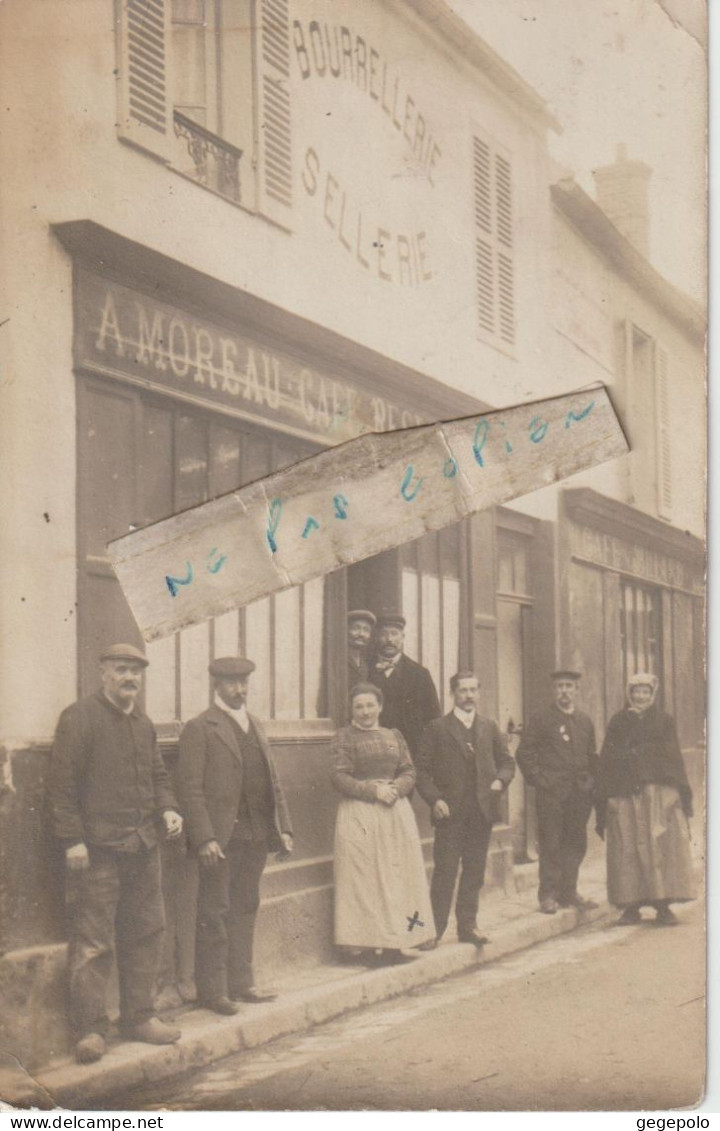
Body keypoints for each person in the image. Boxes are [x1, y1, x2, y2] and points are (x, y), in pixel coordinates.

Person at [49, 644, 184, 1065]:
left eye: (136, 672)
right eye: (122, 670)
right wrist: (71, 839)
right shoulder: (79, 719)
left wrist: (169, 808)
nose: (130, 678)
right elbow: (62, 785)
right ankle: (89, 1030)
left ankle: (139, 1017)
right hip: (98, 851)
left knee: (147, 932)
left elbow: (159, 775)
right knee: (93, 943)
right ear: (103, 673)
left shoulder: (142, 724)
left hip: (144, 846)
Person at [176, 657, 293, 1015]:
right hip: (221, 839)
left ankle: (243, 983)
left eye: (243, 682)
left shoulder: (255, 725)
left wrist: (283, 828)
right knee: (215, 909)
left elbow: (272, 781)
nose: (239, 689)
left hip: (256, 834)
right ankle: (214, 990)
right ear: (216, 684)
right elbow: (189, 789)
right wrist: (205, 837)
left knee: (246, 906)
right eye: (231, 683)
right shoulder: (200, 727)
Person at [331, 682, 435, 964]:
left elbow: (409, 770)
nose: (365, 712)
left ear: (380, 707)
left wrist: (397, 788)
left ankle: (395, 943)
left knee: (396, 876)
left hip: (394, 812)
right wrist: (374, 791)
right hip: (361, 814)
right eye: (359, 707)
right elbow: (339, 777)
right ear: (352, 710)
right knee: (366, 878)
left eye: (370, 705)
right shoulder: (344, 738)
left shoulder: (394, 736)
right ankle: (367, 945)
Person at [415, 671, 515, 949]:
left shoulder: (489, 726)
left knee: (474, 870)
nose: (469, 696)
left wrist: (499, 780)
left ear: (479, 693)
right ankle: (433, 930)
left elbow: (507, 762)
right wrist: (435, 800)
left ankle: (468, 926)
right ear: (453, 694)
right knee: (445, 871)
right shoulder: (437, 728)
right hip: (450, 814)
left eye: (473, 690)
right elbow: (420, 770)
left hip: (481, 812)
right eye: (463, 691)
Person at [595, 673, 695, 927]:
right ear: (630, 693)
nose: (641, 696)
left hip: (657, 794)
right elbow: (608, 756)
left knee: (658, 845)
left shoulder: (664, 721)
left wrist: (678, 794)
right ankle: (631, 907)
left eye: (645, 692)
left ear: (653, 695)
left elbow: (671, 757)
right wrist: (607, 795)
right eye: (636, 691)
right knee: (626, 848)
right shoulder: (618, 721)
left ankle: (663, 905)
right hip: (626, 794)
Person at [516, 670, 598, 915]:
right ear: (554, 690)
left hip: (579, 794)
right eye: (560, 686)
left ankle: (569, 892)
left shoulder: (585, 721)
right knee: (551, 842)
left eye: (569, 686)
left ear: (576, 690)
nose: (564, 691)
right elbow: (524, 753)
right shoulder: (541, 719)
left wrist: (591, 783)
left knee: (575, 842)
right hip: (552, 793)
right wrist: (540, 780)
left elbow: (591, 755)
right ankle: (548, 895)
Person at [371, 613, 441, 757]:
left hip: (410, 752)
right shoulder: (366, 669)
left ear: (403, 637)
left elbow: (433, 718)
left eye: (394, 634)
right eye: (384, 634)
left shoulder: (420, 674)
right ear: (377, 637)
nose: (389, 639)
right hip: (373, 749)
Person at [347, 609, 376, 694]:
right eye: (356, 628)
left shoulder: (365, 661)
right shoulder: (339, 658)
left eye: (366, 630)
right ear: (346, 630)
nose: (361, 634)